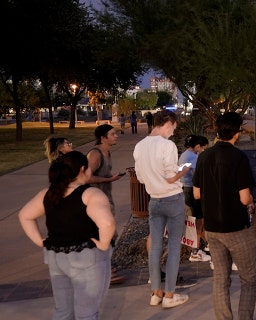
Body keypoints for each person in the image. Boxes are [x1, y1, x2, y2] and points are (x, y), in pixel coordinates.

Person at [18, 151, 115, 319]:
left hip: (56, 258)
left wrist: (41, 242)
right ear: (83, 169)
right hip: (87, 258)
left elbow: (25, 215)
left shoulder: (48, 194)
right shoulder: (90, 194)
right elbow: (107, 223)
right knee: (86, 313)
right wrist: (104, 245)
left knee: (63, 311)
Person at [193, 112, 256, 320]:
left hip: (212, 227)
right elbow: (244, 198)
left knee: (220, 278)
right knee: (248, 278)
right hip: (237, 228)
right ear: (237, 133)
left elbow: (196, 193)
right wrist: (251, 203)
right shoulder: (238, 157)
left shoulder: (204, 156)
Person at [133, 110, 190, 309]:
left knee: (155, 247)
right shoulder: (167, 145)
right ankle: (170, 295)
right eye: (173, 128)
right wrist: (184, 170)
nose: (173, 133)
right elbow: (170, 177)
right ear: (168, 123)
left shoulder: (139, 146)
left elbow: (140, 178)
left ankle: (156, 293)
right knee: (174, 246)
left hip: (154, 201)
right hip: (172, 199)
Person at [86, 124, 125, 284]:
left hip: (105, 198)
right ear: (103, 137)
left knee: (108, 234)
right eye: (112, 134)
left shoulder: (107, 152)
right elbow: (86, 177)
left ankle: (105, 267)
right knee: (105, 234)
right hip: (96, 201)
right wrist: (109, 179)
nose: (116, 136)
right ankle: (104, 271)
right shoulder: (95, 154)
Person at [179, 135, 211, 263]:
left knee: (195, 221)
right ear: (197, 146)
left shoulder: (184, 155)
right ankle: (195, 252)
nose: (202, 149)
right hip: (192, 191)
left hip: (185, 190)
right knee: (199, 221)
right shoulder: (193, 157)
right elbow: (200, 176)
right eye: (202, 147)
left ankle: (205, 245)